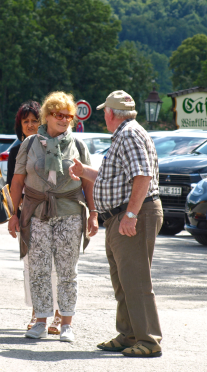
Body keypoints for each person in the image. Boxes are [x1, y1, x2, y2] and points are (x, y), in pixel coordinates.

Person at [68, 90, 163, 358]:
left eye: (104, 113)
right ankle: (129, 334)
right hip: (122, 215)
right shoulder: (127, 133)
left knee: (135, 281)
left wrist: (131, 215)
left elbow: (142, 175)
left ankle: (148, 340)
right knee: (124, 281)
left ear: (110, 113)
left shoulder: (129, 134)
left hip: (132, 215)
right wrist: (83, 171)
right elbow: (116, 177)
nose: (104, 117)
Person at [8, 91, 98, 343]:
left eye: (69, 116)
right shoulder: (29, 144)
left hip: (69, 211)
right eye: (58, 115)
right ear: (46, 116)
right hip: (35, 212)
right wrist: (13, 214)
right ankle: (40, 320)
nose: (64, 119)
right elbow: (17, 182)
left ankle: (66, 322)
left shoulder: (78, 145)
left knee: (67, 269)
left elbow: (88, 184)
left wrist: (93, 214)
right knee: (38, 268)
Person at [7, 101, 62, 335]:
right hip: (28, 214)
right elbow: (14, 186)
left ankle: (59, 315)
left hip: (57, 212)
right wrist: (14, 214)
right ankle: (37, 312)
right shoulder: (15, 150)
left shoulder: (54, 144)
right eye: (25, 121)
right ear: (19, 125)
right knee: (32, 267)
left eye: (34, 120)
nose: (30, 125)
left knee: (57, 267)